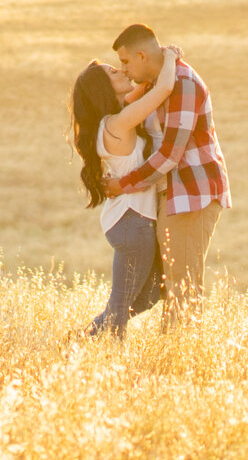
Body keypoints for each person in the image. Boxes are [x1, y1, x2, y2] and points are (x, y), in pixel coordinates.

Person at [107, 21, 229, 326]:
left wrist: (124, 184)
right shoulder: (154, 84)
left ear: (142, 56)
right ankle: (167, 354)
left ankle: (180, 359)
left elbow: (170, 154)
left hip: (191, 192)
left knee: (183, 285)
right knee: (172, 283)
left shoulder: (183, 83)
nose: (123, 70)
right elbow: (117, 110)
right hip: (172, 193)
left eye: (125, 62)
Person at [67, 43, 183, 337]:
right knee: (120, 305)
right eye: (113, 70)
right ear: (103, 89)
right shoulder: (118, 124)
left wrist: (144, 75)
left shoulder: (114, 119)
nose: (122, 71)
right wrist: (170, 55)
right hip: (132, 223)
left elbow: (141, 89)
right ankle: (108, 357)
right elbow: (164, 88)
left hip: (132, 221)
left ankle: (85, 338)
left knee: (147, 296)